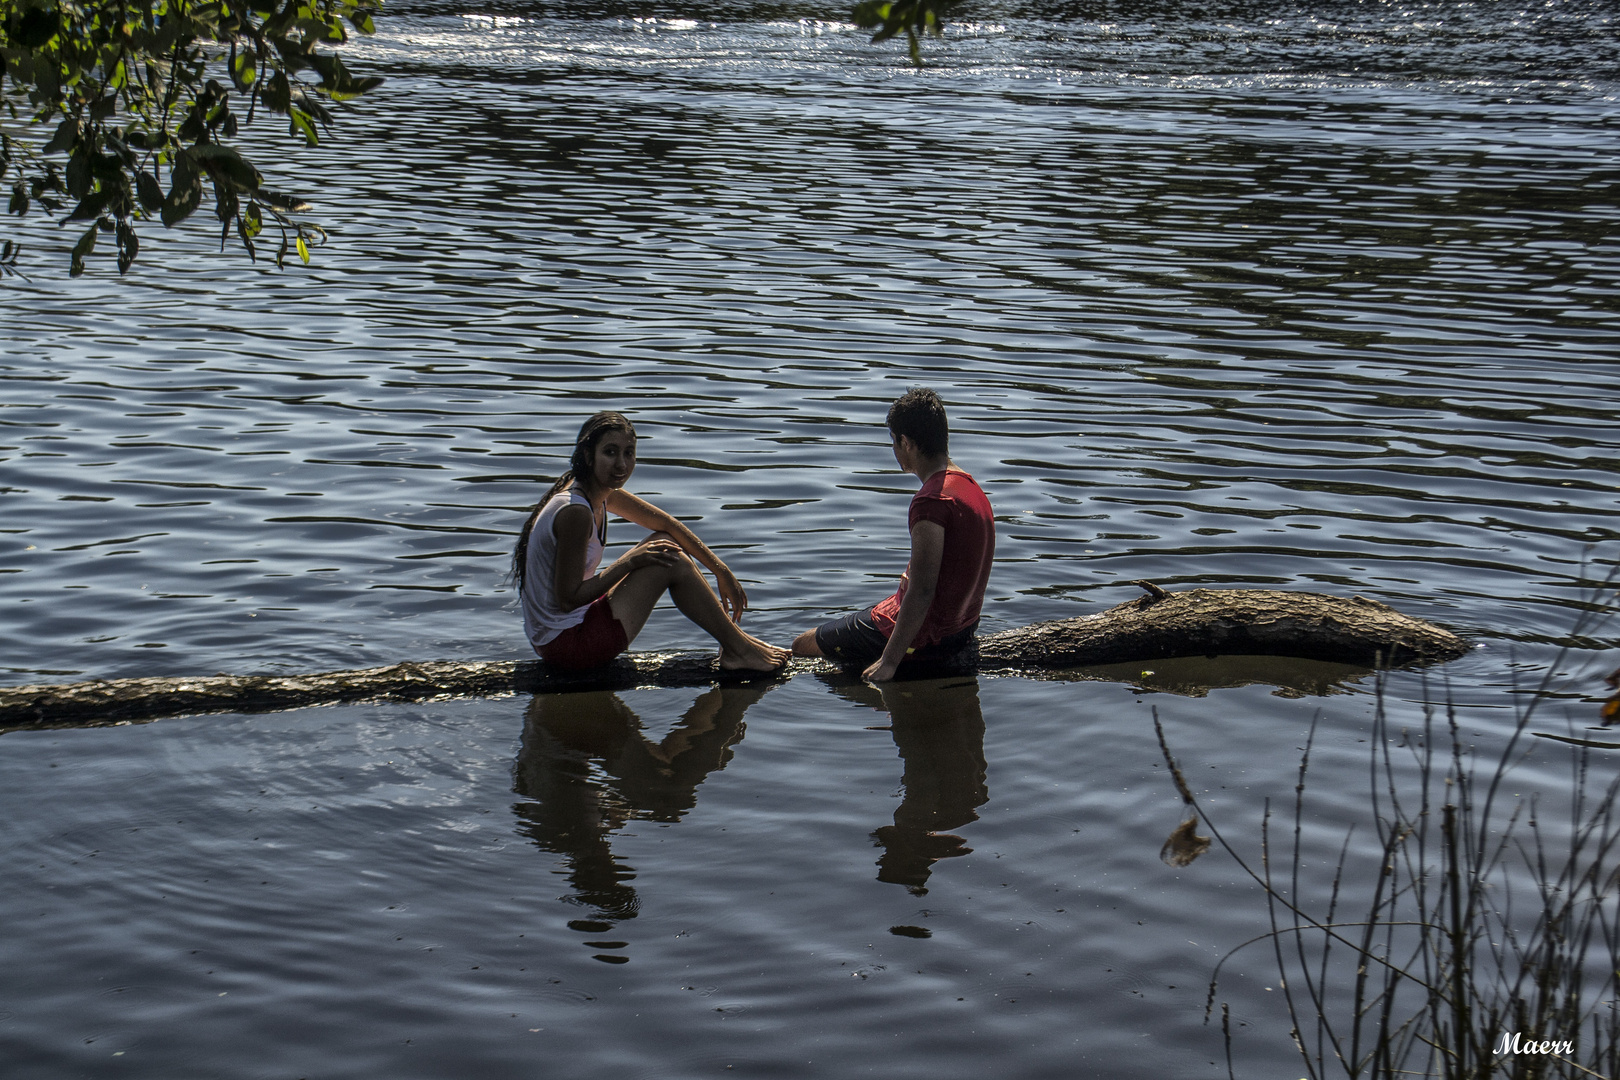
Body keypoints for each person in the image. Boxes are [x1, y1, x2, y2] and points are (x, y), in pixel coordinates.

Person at [513, 411, 790, 673]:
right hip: (566, 646)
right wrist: (630, 561)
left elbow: (667, 525)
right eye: (610, 452)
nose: (621, 464)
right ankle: (737, 650)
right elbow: (567, 600)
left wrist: (721, 571)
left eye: (629, 453)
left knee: (663, 540)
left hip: (561, 634)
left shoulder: (598, 491)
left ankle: (738, 643)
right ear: (587, 455)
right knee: (670, 560)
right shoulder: (575, 511)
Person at [792, 388, 995, 682]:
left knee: (802, 644)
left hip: (929, 638)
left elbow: (923, 591)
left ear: (906, 442)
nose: (894, 450)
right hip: (962, 630)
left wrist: (889, 661)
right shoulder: (970, 487)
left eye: (894, 441)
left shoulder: (930, 503)